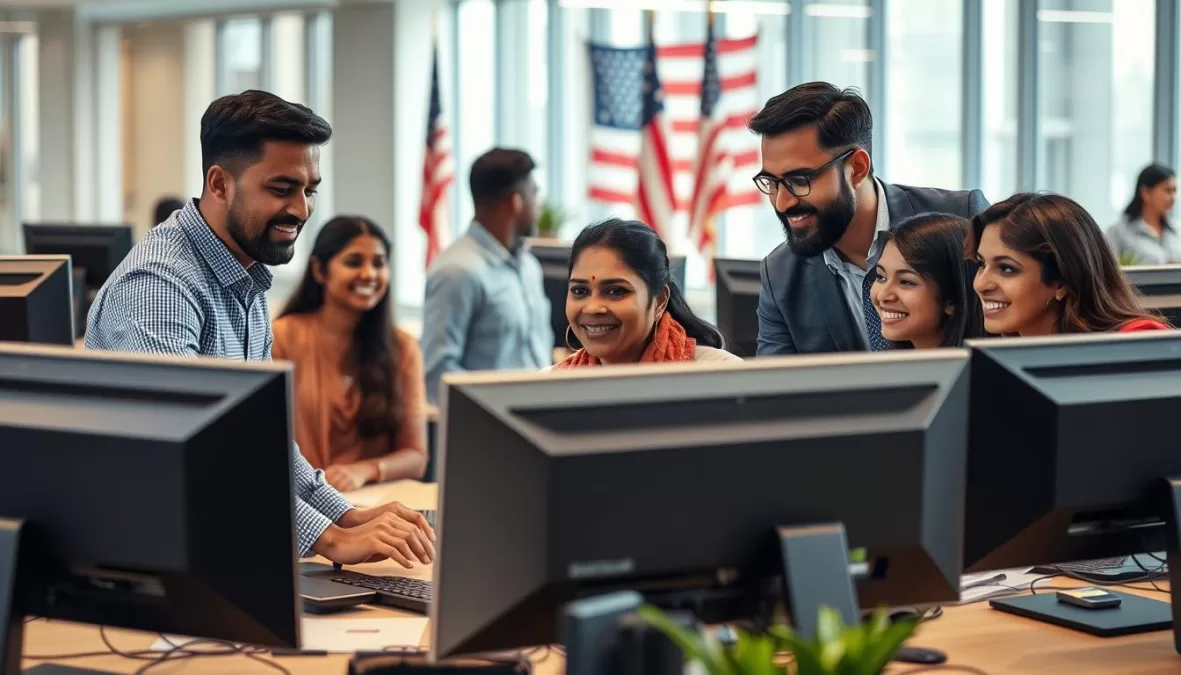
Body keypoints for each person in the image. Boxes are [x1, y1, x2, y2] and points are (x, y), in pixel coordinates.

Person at [85, 90, 435, 568]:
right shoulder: (160, 286)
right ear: (219, 183)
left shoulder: (242, 277)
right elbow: (196, 446)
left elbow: (259, 442)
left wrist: (346, 516)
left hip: (214, 550)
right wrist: (328, 539)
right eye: (282, 188)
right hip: (156, 562)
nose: (302, 210)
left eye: (309, 190)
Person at [749, 82, 990, 355]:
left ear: (857, 168)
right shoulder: (780, 274)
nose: (782, 202)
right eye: (771, 182)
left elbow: (1018, 341)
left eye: (799, 180)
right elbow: (775, 380)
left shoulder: (963, 219)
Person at [274, 216, 428, 492]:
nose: (369, 274)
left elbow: (416, 456)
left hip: (371, 500)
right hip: (300, 500)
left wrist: (366, 470)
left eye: (379, 263)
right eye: (354, 262)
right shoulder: (282, 337)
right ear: (319, 270)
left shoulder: (403, 348)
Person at [421, 148, 553, 402]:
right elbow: (437, 375)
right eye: (534, 194)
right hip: (489, 421)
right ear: (515, 201)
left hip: (541, 414)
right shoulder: (457, 271)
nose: (538, 205)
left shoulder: (529, 266)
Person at [971, 192, 1171, 336]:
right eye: (982, 264)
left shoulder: (1137, 341)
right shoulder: (1007, 355)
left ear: (1061, 281)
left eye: (1006, 269)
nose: (981, 284)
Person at [553, 219, 739, 368]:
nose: (593, 308)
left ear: (660, 301)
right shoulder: (553, 384)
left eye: (616, 291)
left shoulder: (718, 376)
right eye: (580, 291)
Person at [871, 213, 986, 349]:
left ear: (951, 299)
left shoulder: (982, 362)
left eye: (906, 282)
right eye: (881, 277)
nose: (883, 295)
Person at [1106, 164, 1181, 265]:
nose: (1173, 198)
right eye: (1167, 190)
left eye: (1174, 191)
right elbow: (1109, 269)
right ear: (1146, 193)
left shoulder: (1177, 231)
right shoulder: (1118, 233)